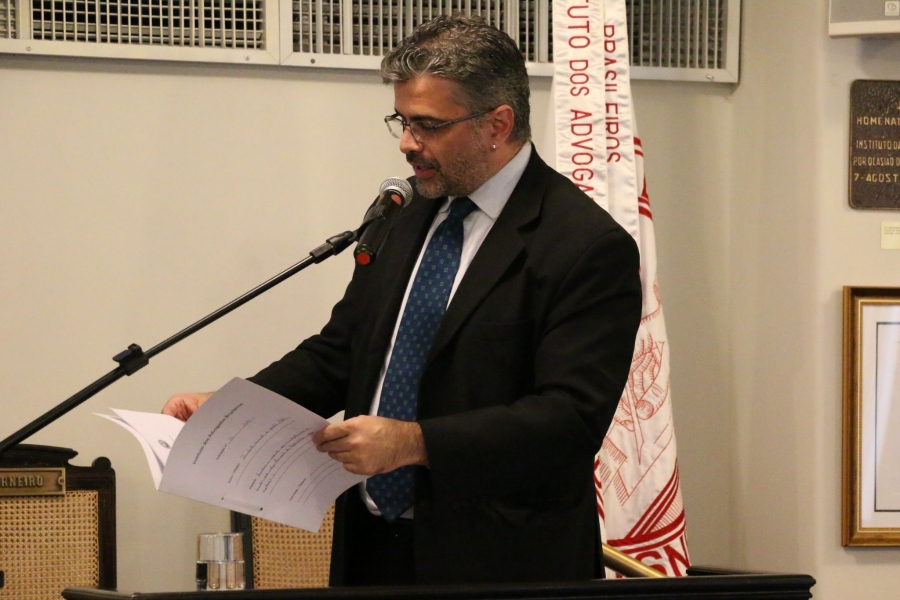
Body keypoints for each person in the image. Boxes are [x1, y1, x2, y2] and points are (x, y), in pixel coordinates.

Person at [164, 15, 642, 587]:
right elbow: (342, 351)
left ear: (498, 124)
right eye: (403, 120)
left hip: (500, 560)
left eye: (428, 126)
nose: (407, 143)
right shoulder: (406, 210)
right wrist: (237, 407)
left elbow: (569, 421)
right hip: (373, 546)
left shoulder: (582, 245)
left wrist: (415, 443)